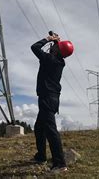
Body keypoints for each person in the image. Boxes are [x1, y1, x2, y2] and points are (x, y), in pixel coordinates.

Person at [30, 31, 74, 172]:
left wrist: (48, 39)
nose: (53, 47)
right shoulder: (59, 61)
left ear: (57, 51)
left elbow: (34, 47)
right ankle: (41, 156)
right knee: (39, 128)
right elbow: (57, 51)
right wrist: (56, 42)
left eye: (55, 46)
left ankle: (60, 164)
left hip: (47, 99)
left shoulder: (49, 59)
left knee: (50, 131)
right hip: (51, 98)